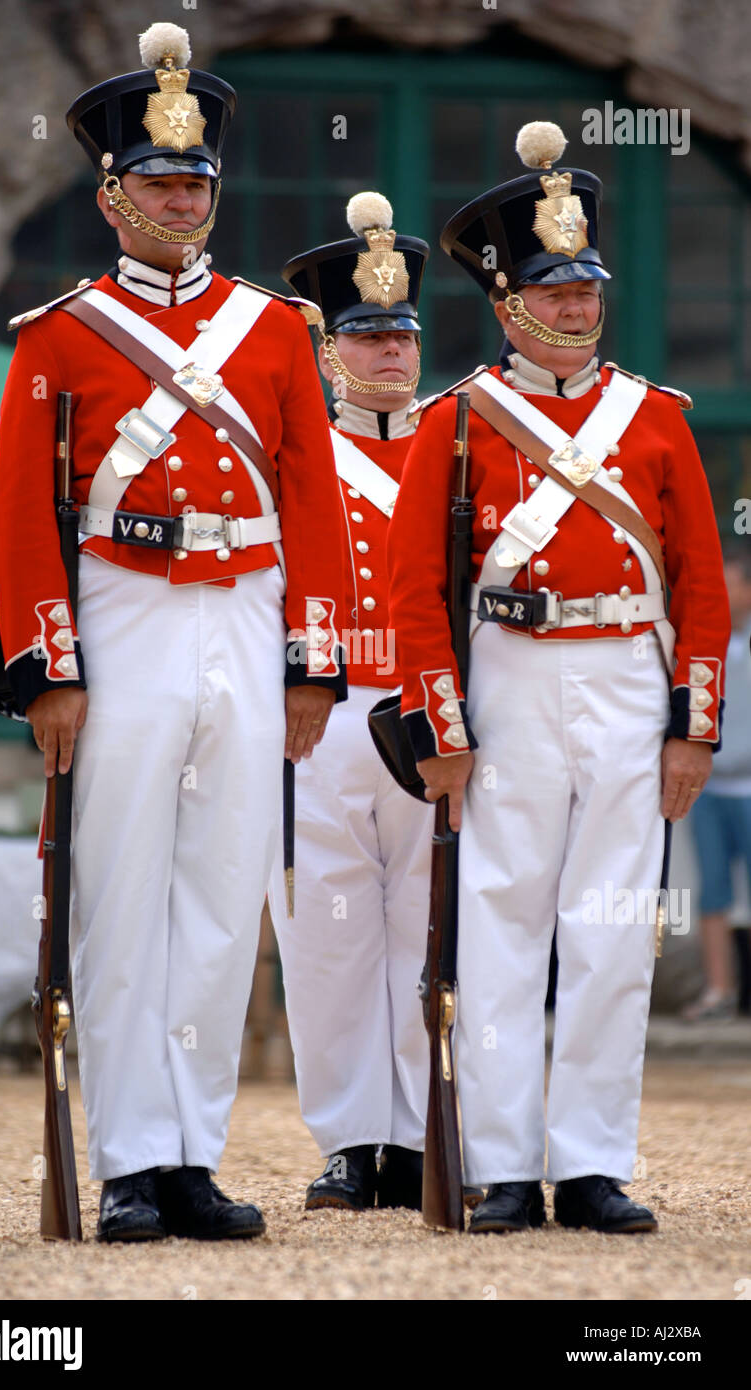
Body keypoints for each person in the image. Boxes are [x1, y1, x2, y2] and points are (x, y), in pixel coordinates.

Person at [0, 22, 347, 1242]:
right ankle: (130, 1158)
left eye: (195, 181)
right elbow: (25, 516)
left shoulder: (273, 330)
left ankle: (194, 1154)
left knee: (216, 890)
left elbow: (312, 499)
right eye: (156, 179)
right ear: (110, 192)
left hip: (246, 612)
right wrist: (51, 667)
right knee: (123, 892)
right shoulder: (56, 336)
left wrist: (312, 661)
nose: (180, 199)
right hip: (123, 610)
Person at [387, 121, 731, 1234]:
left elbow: (699, 585)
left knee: (612, 923)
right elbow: (413, 596)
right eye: (556, 291)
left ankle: (588, 1161)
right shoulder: (451, 425)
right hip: (511, 672)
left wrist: (694, 727)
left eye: (587, 289)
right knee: (499, 921)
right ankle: (497, 1162)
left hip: (630, 670)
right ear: (507, 300)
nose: (580, 308)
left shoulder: (658, 420)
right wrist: (440, 726)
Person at [266, 194, 434, 1211]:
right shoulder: (294, 454)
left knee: (426, 927)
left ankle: (416, 1137)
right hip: (319, 712)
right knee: (325, 935)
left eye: (399, 336)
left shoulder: (458, 441)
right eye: (366, 337)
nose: (386, 355)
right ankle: (348, 1139)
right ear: (328, 350)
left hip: (423, 712)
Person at [683, 543, 751, 1020]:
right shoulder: (702, 643)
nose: (723, 595)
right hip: (709, 790)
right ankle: (719, 992)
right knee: (712, 893)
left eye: (730, 585)